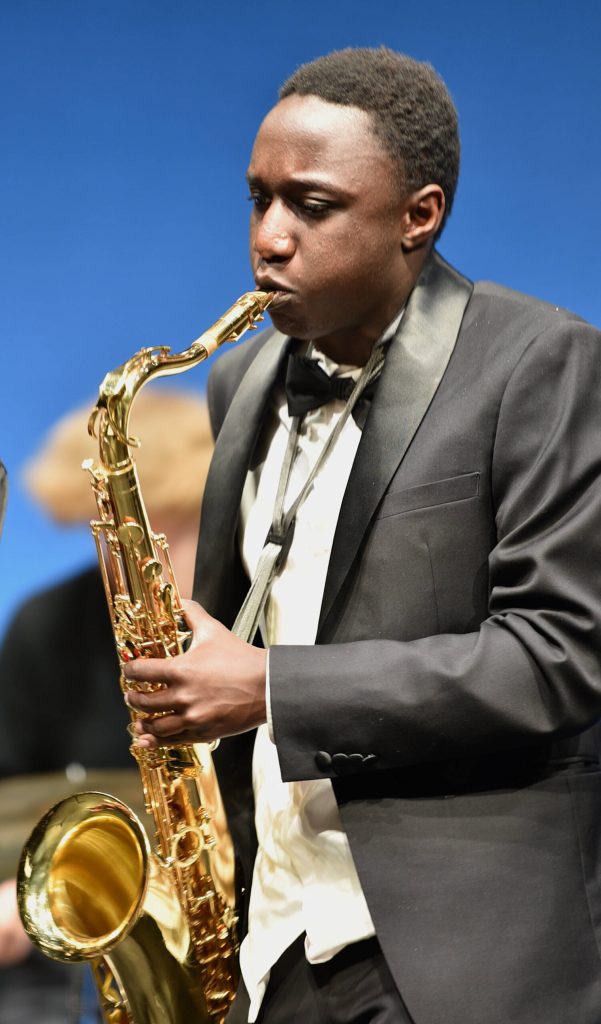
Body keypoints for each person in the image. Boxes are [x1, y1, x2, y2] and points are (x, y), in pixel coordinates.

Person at [122, 47, 601, 1024]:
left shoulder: (537, 359)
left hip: (452, 956)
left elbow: (558, 656)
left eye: (311, 205)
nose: (269, 240)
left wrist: (271, 688)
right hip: (275, 942)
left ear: (417, 216)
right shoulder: (238, 379)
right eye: (258, 200)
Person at [0, 389, 213, 1024]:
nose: (128, 560)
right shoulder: (50, 623)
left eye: (167, 527)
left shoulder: (270, 614)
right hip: (80, 938)